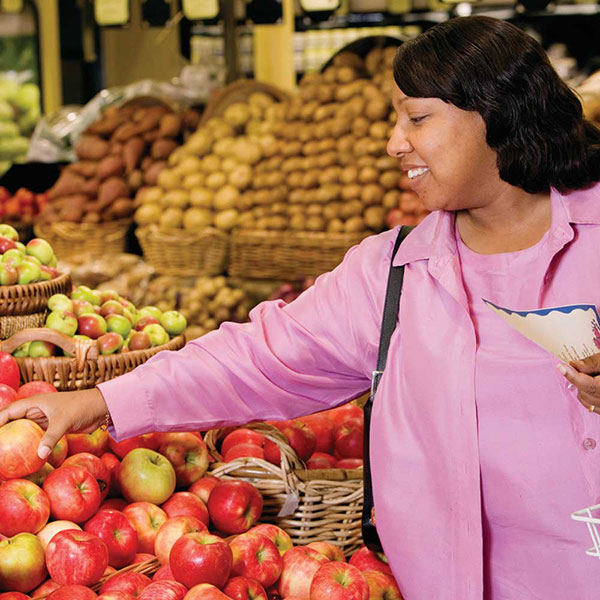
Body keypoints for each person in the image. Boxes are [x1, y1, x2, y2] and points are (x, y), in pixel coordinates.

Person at [2, 15, 600, 599]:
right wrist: (100, 400)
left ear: (497, 115)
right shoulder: (392, 274)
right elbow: (257, 358)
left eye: (417, 118)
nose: (395, 144)